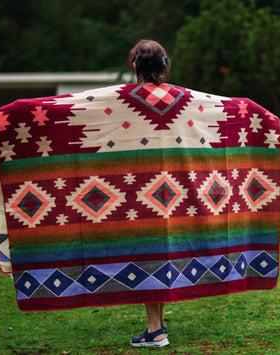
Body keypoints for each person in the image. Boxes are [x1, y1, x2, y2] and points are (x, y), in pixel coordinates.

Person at [127, 39, 171, 348]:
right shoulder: (182, 97)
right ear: (164, 66)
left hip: (138, 192)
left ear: (135, 66)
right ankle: (156, 325)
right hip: (171, 194)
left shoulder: (122, 99)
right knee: (161, 255)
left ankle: (155, 330)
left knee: (147, 256)